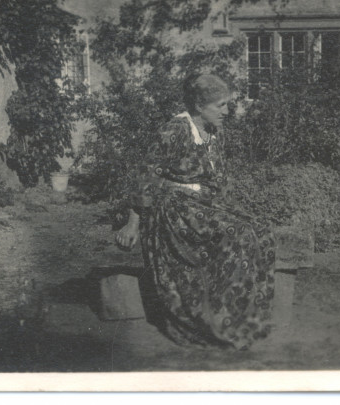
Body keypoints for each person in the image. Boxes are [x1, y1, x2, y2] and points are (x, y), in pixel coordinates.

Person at [115, 74, 276, 350]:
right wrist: (132, 224)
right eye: (221, 105)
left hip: (201, 204)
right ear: (200, 106)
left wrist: (227, 208)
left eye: (227, 104)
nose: (228, 111)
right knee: (238, 236)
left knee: (262, 233)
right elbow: (146, 176)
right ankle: (213, 323)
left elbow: (216, 178)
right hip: (174, 208)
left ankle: (243, 321)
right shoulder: (175, 130)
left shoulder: (214, 131)